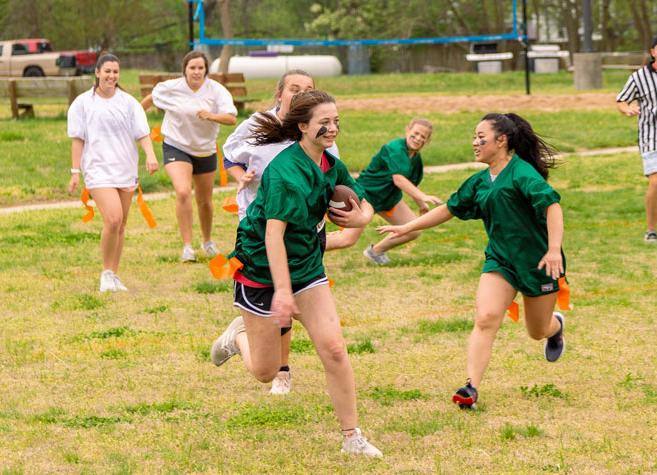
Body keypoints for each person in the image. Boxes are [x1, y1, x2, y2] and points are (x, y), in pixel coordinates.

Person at [210, 90, 382, 456]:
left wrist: (362, 217)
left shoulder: (327, 162)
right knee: (265, 371)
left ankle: (352, 437)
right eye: (325, 122)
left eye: (336, 121)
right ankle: (237, 336)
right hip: (261, 267)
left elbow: (362, 196)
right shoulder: (287, 172)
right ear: (303, 126)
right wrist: (284, 293)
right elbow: (274, 236)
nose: (333, 128)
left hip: (305, 264)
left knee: (334, 349)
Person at [379, 113, 567, 409]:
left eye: (481, 137)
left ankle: (555, 328)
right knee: (486, 318)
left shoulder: (522, 174)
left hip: (539, 263)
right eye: (474, 137)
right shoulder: (479, 181)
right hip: (501, 261)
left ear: (501, 140)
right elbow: (450, 209)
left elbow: (552, 206)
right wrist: (407, 227)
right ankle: (470, 388)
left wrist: (553, 249)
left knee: (536, 331)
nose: (475, 143)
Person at [221, 70, 341, 395]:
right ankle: (265, 357)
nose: (300, 94)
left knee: (290, 301)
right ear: (279, 93)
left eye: (308, 90)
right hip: (261, 231)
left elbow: (331, 181)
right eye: (294, 89)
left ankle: (282, 370)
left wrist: (352, 212)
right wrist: (239, 178)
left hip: (303, 233)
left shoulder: (319, 131)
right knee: (280, 297)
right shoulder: (258, 124)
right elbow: (229, 155)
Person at [67, 53, 159, 292]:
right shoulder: (83, 103)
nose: (111, 76)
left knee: (120, 225)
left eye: (115, 72)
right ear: (97, 72)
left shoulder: (128, 103)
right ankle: (106, 274)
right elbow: (78, 139)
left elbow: (142, 133)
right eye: (107, 71)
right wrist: (75, 171)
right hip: (98, 170)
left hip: (125, 169)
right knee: (113, 218)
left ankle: (114, 275)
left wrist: (150, 155)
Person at [141, 51, 238, 261]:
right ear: (184, 69)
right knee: (183, 192)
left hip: (205, 149)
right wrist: (135, 119)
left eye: (200, 68)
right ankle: (187, 247)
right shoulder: (172, 88)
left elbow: (231, 119)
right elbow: (150, 99)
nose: (196, 72)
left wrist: (210, 115)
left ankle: (207, 241)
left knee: (205, 200)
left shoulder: (216, 91)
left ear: (206, 70)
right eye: (192, 67)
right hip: (176, 145)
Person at [326, 118, 442, 263]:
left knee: (413, 228)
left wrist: (421, 204)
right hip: (367, 196)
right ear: (407, 130)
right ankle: (304, 250)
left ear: (427, 141)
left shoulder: (416, 159)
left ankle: (375, 252)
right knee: (346, 240)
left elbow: (411, 184)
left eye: (423, 137)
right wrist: (422, 196)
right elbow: (398, 179)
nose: (418, 138)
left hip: (388, 199)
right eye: (415, 133)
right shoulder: (395, 148)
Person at [616, 36, 657, 242]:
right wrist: (628, 108)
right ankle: (651, 230)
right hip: (651, 137)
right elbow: (621, 100)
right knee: (656, 182)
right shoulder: (639, 77)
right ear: (652, 52)